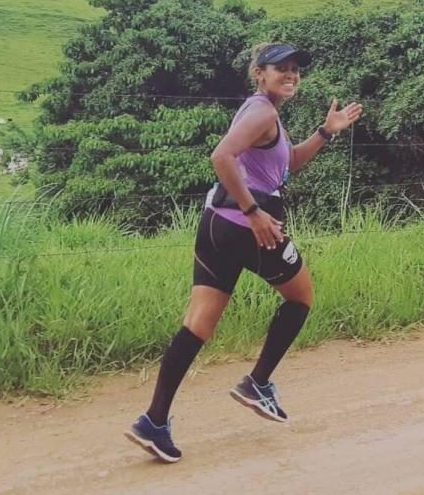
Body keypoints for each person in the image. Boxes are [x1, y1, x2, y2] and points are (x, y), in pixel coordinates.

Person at [124, 42, 363, 463]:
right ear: (259, 73)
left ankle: (154, 422)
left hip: (215, 224)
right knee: (301, 296)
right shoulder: (263, 112)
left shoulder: (262, 113)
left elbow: (286, 165)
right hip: (247, 226)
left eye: (294, 69)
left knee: (198, 323)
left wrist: (327, 132)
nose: (290, 75)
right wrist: (254, 213)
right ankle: (257, 383)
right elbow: (221, 156)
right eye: (280, 69)